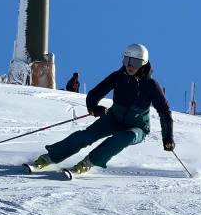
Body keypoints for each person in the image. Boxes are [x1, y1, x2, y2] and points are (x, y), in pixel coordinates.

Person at [25, 43, 174, 177]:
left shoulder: (151, 85)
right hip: (114, 118)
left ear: (143, 64)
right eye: (127, 60)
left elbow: (165, 112)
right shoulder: (118, 77)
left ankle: (88, 162)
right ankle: (48, 158)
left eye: (134, 62)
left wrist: (168, 138)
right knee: (87, 136)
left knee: (122, 138)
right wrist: (94, 107)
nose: (130, 66)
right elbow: (95, 93)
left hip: (137, 127)